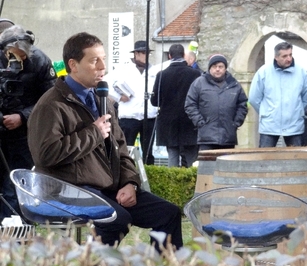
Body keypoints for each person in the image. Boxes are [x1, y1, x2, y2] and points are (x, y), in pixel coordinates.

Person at [27, 32, 183, 251]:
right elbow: (46, 155)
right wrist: (93, 133)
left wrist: (130, 183)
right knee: (117, 220)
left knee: (168, 213)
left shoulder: (103, 100)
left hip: (107, 188)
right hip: (71, 190)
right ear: (73, 65)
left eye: (103, 59)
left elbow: (121, 149)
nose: (103, 67)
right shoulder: (51, 105)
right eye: (94, 60)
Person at [0, 25, 56, 219]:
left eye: (23, 56)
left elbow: (51, 100)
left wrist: (23, 116)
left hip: (26, 133)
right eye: (13, 55)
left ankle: (21, 226)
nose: (19, 60)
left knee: (20, 181)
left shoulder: (40, 60)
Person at [105, 40, 158, 165]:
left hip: (149, 116)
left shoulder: (154, 71)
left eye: (147, 53)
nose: (146, 56)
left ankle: (148, 175)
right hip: (129, 116)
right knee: (126, 149)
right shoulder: (123, 70)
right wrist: (118, 97)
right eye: (143, 53)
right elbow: (105, 83)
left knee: (148, 151)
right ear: (136, 54)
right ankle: (125, 173)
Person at [248, 41, 307, 147]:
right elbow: (254, 98)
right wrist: (267, 113)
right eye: (284, 56)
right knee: (264, 160)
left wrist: (297, 112)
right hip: (270, 126)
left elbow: (306, 97)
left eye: (290, 55)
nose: (289, 58)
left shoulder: (301, 72)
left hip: (294, 125)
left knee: (297, 161)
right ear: (276, 57)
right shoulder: (263, 72)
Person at [151, 44, 201, 167]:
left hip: (169, 122)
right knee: (191, 160)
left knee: (172, 157)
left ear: (169, 56)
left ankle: (173, 185)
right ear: (184, 55)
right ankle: (193, 185)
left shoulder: (161, 75)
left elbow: (154, 101)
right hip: (189, 121)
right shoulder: (195, 74)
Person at [185, 54, 248, 151]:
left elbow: (242, 104)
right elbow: (190, 104)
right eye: (214, 66)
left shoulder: (234, 84)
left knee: (226, 166)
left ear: (225, 68)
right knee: (207, 165)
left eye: (220, 67)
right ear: (210, 68)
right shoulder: (199, 83)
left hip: (228, 136)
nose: (217, 69)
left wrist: (236, 122)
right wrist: (199, 122)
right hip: (207, 137)